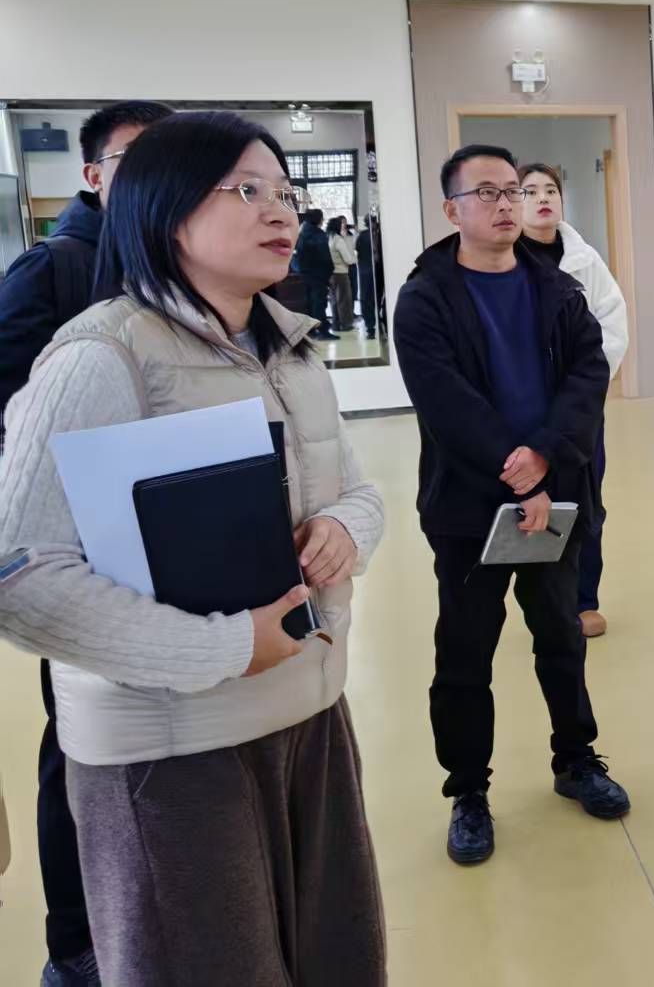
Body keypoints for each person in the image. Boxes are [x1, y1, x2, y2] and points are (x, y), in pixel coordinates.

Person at [0, 112, 387, 984]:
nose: (281, 210)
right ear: (164, 208)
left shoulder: (291, 351)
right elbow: (18, 573)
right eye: (248, 190)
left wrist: (344, 530)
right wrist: (225, 647)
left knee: (339, 956)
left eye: (285, 190)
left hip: (310, 715)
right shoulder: (101, 357)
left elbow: (360, 491)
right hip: (170, 753)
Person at [393, 144, 630, 868]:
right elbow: (445, 401)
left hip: (555, 494)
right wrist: (519, 470)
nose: (505, 204)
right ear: (452, 209)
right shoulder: (425, 297)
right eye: (487, 192)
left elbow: (589, 370)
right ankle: (468, 790)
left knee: (561, 633)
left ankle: (576, 759)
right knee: (465, 650)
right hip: (470, 507)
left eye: (512, 192)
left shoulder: (556, 287)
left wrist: (547, 456)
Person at [0, 98, 171, 987]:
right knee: (80, 742)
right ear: (94, 174)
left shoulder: (176, 270)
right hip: (84, 558)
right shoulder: (54, 269)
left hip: (179, 546)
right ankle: (77, 945)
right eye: (135, 159)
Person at [517, 162, 629, 638]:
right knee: (529, 502)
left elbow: (612, 326)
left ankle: (584, 600)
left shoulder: (585, 260)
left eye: (551, 190)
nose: (543, 198)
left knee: (585, 502)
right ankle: (543, 603)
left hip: (581, 410)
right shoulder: (505, 259)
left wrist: (582, 386)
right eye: (530, 191)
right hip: (527, 409)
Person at [292, 208, 336, 342]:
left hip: (305, 274)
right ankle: (323, 330)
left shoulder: (301, 233)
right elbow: (325, 257)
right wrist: (330, 272)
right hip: (319, 275)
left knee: (309, 303)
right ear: (319, 219)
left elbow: (296, 255)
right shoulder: (318, 235)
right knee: (319, 303)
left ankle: (311, 330)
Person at [327, 216, 357, 333]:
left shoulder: (329, 238)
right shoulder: (338, 240)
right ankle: (346, 325)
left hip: (331, 274)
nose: (343, 226)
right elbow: (348, 259)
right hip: (341, 273)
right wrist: (355, 260)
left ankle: (335, 324)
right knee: (344, 300)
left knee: (334, 300)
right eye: (341, 224)